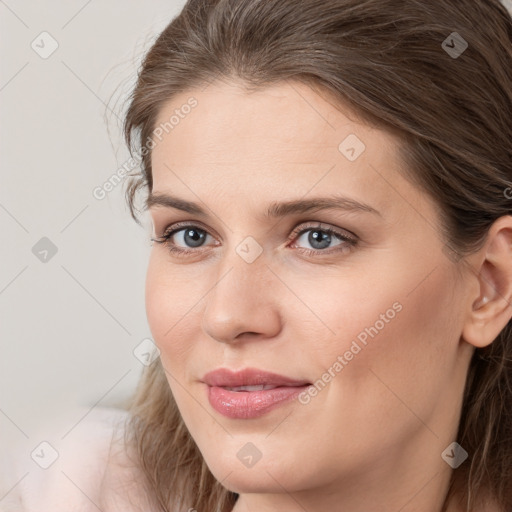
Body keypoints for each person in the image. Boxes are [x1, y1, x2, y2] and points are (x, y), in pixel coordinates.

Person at [2, 0, 512, 511]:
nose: (228, 316)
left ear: (490, 284)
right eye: (191, 236)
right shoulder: (64, 492)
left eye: (319, 237)